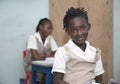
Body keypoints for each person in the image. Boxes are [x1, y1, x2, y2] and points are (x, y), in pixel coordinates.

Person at [52, 7, 104, 84]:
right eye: (74, 30)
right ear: (68, 31)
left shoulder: (95, 52)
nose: (79, 33)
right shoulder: (63, 51)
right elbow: (57, 81)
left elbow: (99, 80)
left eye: (83, 28)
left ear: (88, 27)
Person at [25, 18, 58, 84]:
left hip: (46, 65)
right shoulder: (33, 38)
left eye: (51, 29)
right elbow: (35, 58)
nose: (50, 31)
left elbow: (57, 54)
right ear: (40, 27)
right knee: (50, 73)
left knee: (57, 72)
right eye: (48, 28)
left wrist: (43, 56)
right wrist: (50, 56)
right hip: (32, 66)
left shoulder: (50, 38)